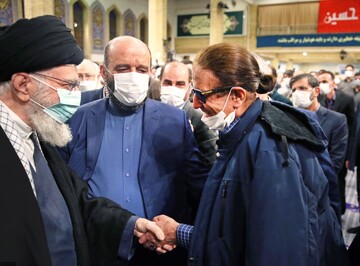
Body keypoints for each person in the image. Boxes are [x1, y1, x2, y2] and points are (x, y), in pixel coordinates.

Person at [141, 43, 348, 265]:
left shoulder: (272, 151)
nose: (195, 103)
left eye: (202, 95)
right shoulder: (241, 135)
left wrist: (179, 232)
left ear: (237, 96)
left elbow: (274, 252)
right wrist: (179, 232)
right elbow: (234, 231)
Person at [0, 15, 166, 265]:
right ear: (23, 85)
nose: (75, 97)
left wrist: (131, 224)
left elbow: (77, 202)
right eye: (68, 85)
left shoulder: (37, 137)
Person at [58, 35, 209, 266]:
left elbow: (197, 181)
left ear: (151, 72)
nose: (133, 76)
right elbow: (65, 189)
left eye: (141, 69)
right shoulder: (78, 119)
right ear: (104, 72)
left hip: (160, 247)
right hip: (99, 246)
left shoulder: (175, 120)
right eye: (123, 68)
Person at [290, 73, 348, 219]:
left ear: (315, 91)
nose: (297, 93)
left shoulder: (336, 119)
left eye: (302, 88)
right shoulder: (287, 118)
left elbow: (336, 161)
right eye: (294, 90)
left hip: (323, 190)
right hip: (294, 190)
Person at [159, 61, 218, 166]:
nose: (173, 88)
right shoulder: (151, 113)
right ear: (160, 83)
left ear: (190, 87)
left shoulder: (200, 118)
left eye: (180, 84)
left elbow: (210, 161)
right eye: (167, 83)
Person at [317, 70, 355, 215]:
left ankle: (339, 210)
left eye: (325, 81)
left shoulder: (346, 99)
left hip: (340, 146)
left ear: (333, 83)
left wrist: (349, 154)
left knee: (338, 181)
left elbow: (351, 128)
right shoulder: (318, 98)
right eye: (319, 81)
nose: (322, 84)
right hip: (323, 146)